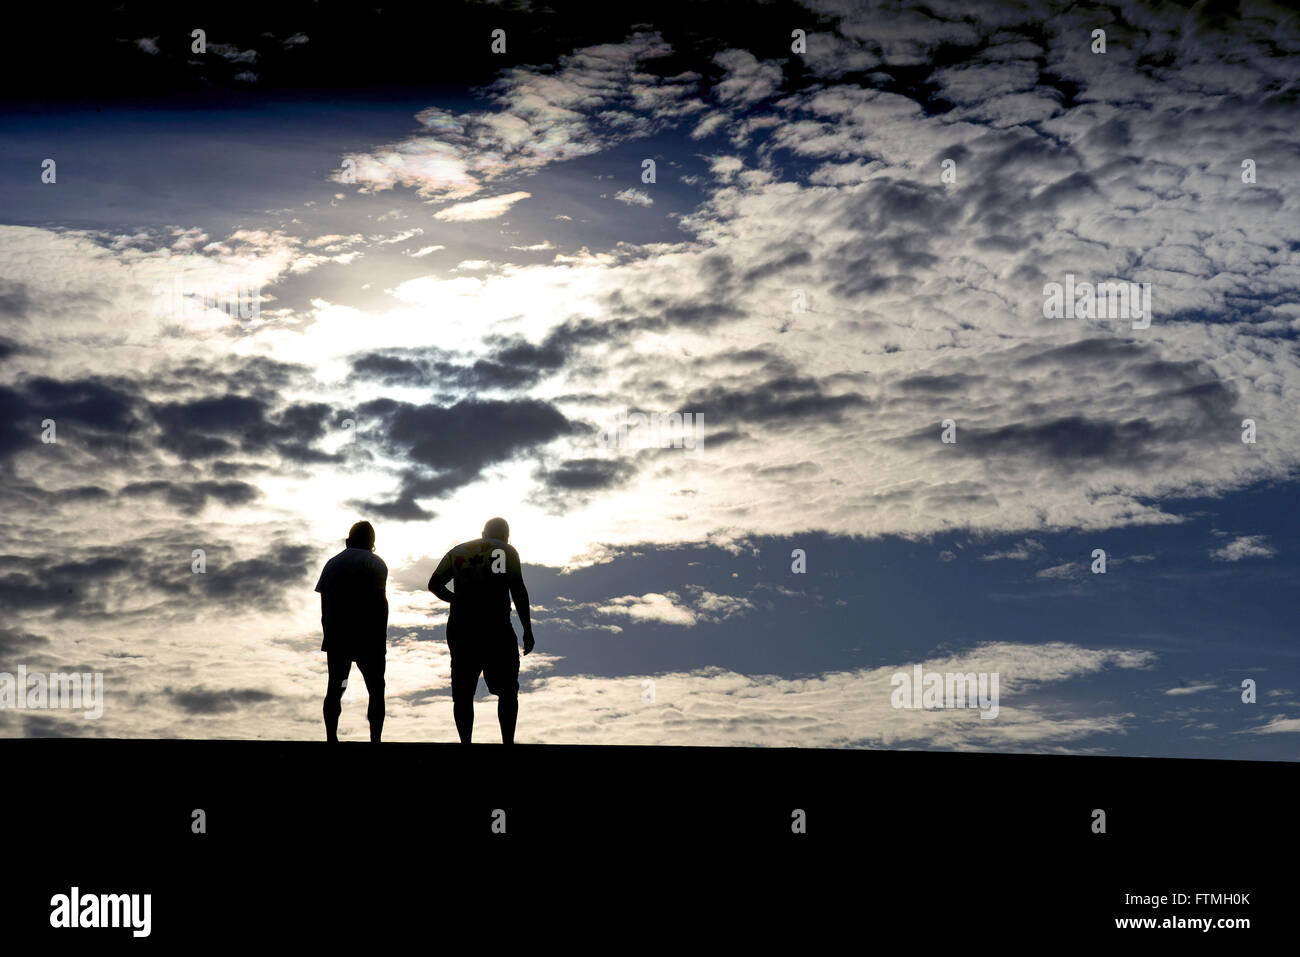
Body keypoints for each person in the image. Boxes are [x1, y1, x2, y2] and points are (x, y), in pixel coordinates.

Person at [429, 517, 534, 744]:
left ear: (484, 532)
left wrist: (455, 599)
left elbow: (434, 584)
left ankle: (466, 743)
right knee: (507, 689)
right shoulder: (505, 551)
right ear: (506, 536)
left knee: (463, 692)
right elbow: (518, 589)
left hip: (462, 629)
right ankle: (507, 743)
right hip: (496, 628)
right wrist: (527, 628)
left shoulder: (459, 551)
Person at [315, 521, 389, 743]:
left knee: (336, 686)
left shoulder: (331, 564)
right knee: (376, 689)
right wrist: (381, 637)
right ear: (372, 543)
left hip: (337, 635)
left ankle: (331, 738)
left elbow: (323, 601)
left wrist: (328, 631)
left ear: (348, 541)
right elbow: (379, 601)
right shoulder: (375, 563)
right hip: (369, 636)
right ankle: (375, 740)